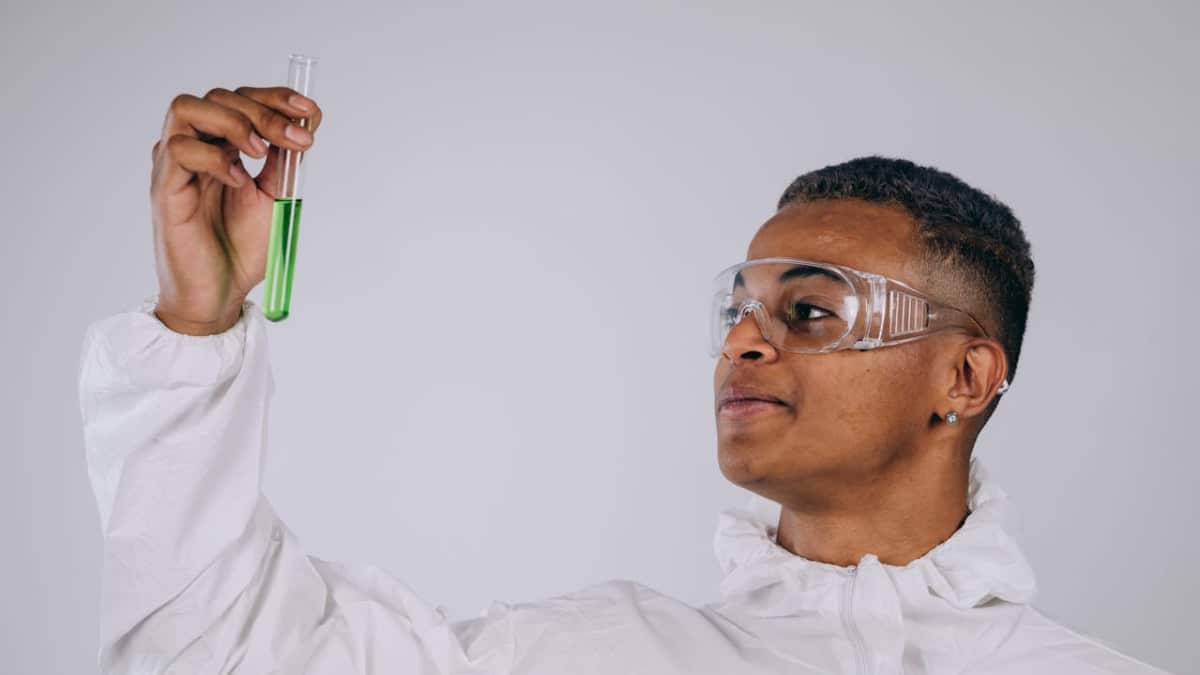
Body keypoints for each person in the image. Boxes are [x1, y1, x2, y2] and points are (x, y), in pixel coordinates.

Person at [78, 85, 1172, 675]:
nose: (743, 344)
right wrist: (197, 324)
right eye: (737, 311)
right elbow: (210, 650)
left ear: (967, 376)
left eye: (809, 312)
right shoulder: (583, 656)